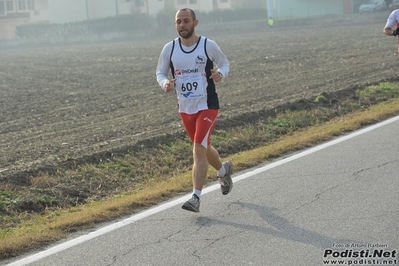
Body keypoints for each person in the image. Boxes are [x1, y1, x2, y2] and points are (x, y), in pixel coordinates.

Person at [156, 8, 233, 213]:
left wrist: (220, 74)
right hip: (185, 108)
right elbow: (160, 72)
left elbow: (224, 63)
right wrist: (165, 84)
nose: (182, 25)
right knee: (205, 147)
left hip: (207, 105)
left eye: (186, 21)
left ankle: (195, 198)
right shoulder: (170, 49)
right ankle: (224, 171)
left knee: (198, 148)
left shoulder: (207, 45)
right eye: (178, 22)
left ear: (195, 23)